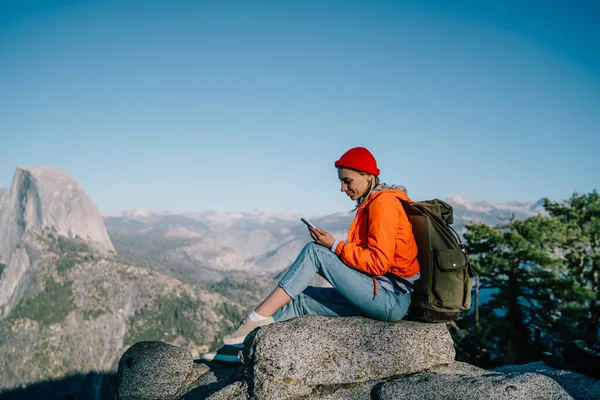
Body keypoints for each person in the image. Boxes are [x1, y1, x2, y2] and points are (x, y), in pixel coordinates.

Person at [203, 147, 420, 362]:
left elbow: (378, 263)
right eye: (341, 182)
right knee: (301, 299)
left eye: (347, 181)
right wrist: (333, 247)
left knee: (315, 252)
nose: (343, 188)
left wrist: (334, 246)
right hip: (379, 293)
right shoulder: (372, 204)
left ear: (367, 175)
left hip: (391, 299)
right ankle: (237, 351)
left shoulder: (383, 204)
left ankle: (252, 320)